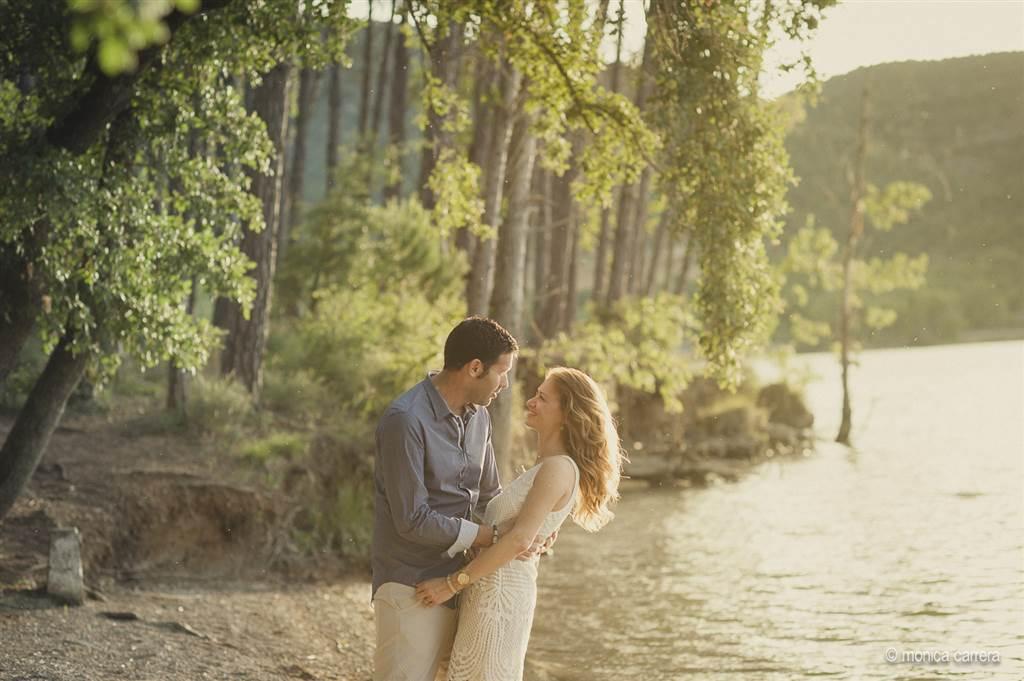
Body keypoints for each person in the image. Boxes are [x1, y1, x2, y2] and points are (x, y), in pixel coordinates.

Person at [415, 367, 624, 681]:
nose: (531, 402)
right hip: (489, 591)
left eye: (542, 398)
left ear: (567, 415)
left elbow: (520, 540)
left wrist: (450, 584)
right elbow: (519, 533)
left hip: (499, 599)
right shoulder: (547, 467)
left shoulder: (558, 469)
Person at [372, 316, 548, 681]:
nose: (505, 384)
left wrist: (531, 529)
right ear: (475, 367)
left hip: (465, 583)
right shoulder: (405, 420)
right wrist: (489, 538)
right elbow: (412, 519)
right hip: (411, 585)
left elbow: (489, 498)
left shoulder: (479, 418)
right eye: (502, 373)